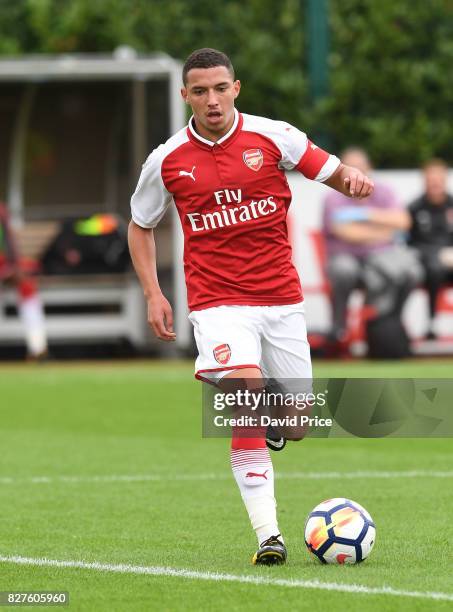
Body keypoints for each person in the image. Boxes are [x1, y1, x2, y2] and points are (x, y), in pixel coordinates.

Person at [128, 48, 373, 566]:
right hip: (218, 304)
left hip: (281, 299)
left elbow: (329, 168)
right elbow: (141, 224)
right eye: (200, 91)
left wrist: (350, 177)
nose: (211, 100)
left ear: (236, 88)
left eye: (220, 88)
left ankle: (271, 427)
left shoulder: (273, 136)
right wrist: (154, 292)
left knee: (297, 423)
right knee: (246, 387)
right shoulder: (167, 159)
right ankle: (269, 535)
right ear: (185, 96)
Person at [322, 148, 420, 353]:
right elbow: (346, 232)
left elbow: (403, 221)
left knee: (412, 272)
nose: (355, 172)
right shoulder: (332, 198)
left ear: (369, 168)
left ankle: (390, 323)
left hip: (380, 259)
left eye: (360, 167)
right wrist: (385, 230)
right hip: (347, 258)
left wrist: (362, 214)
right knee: (343, 269)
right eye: (350, 167)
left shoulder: (384, 191)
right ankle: (339, 326)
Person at [408, 159, 453, 338]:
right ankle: (432, 323)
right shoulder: (414, 207)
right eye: (431, 180)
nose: (435, 184)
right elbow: (410, 241)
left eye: (438, 180)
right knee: (434, 267)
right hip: (427, 262)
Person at [0, 203, 48, 358]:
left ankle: (38, 347)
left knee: (27, 286)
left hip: (3, 264)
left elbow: (9, 242)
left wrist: (12, 267)